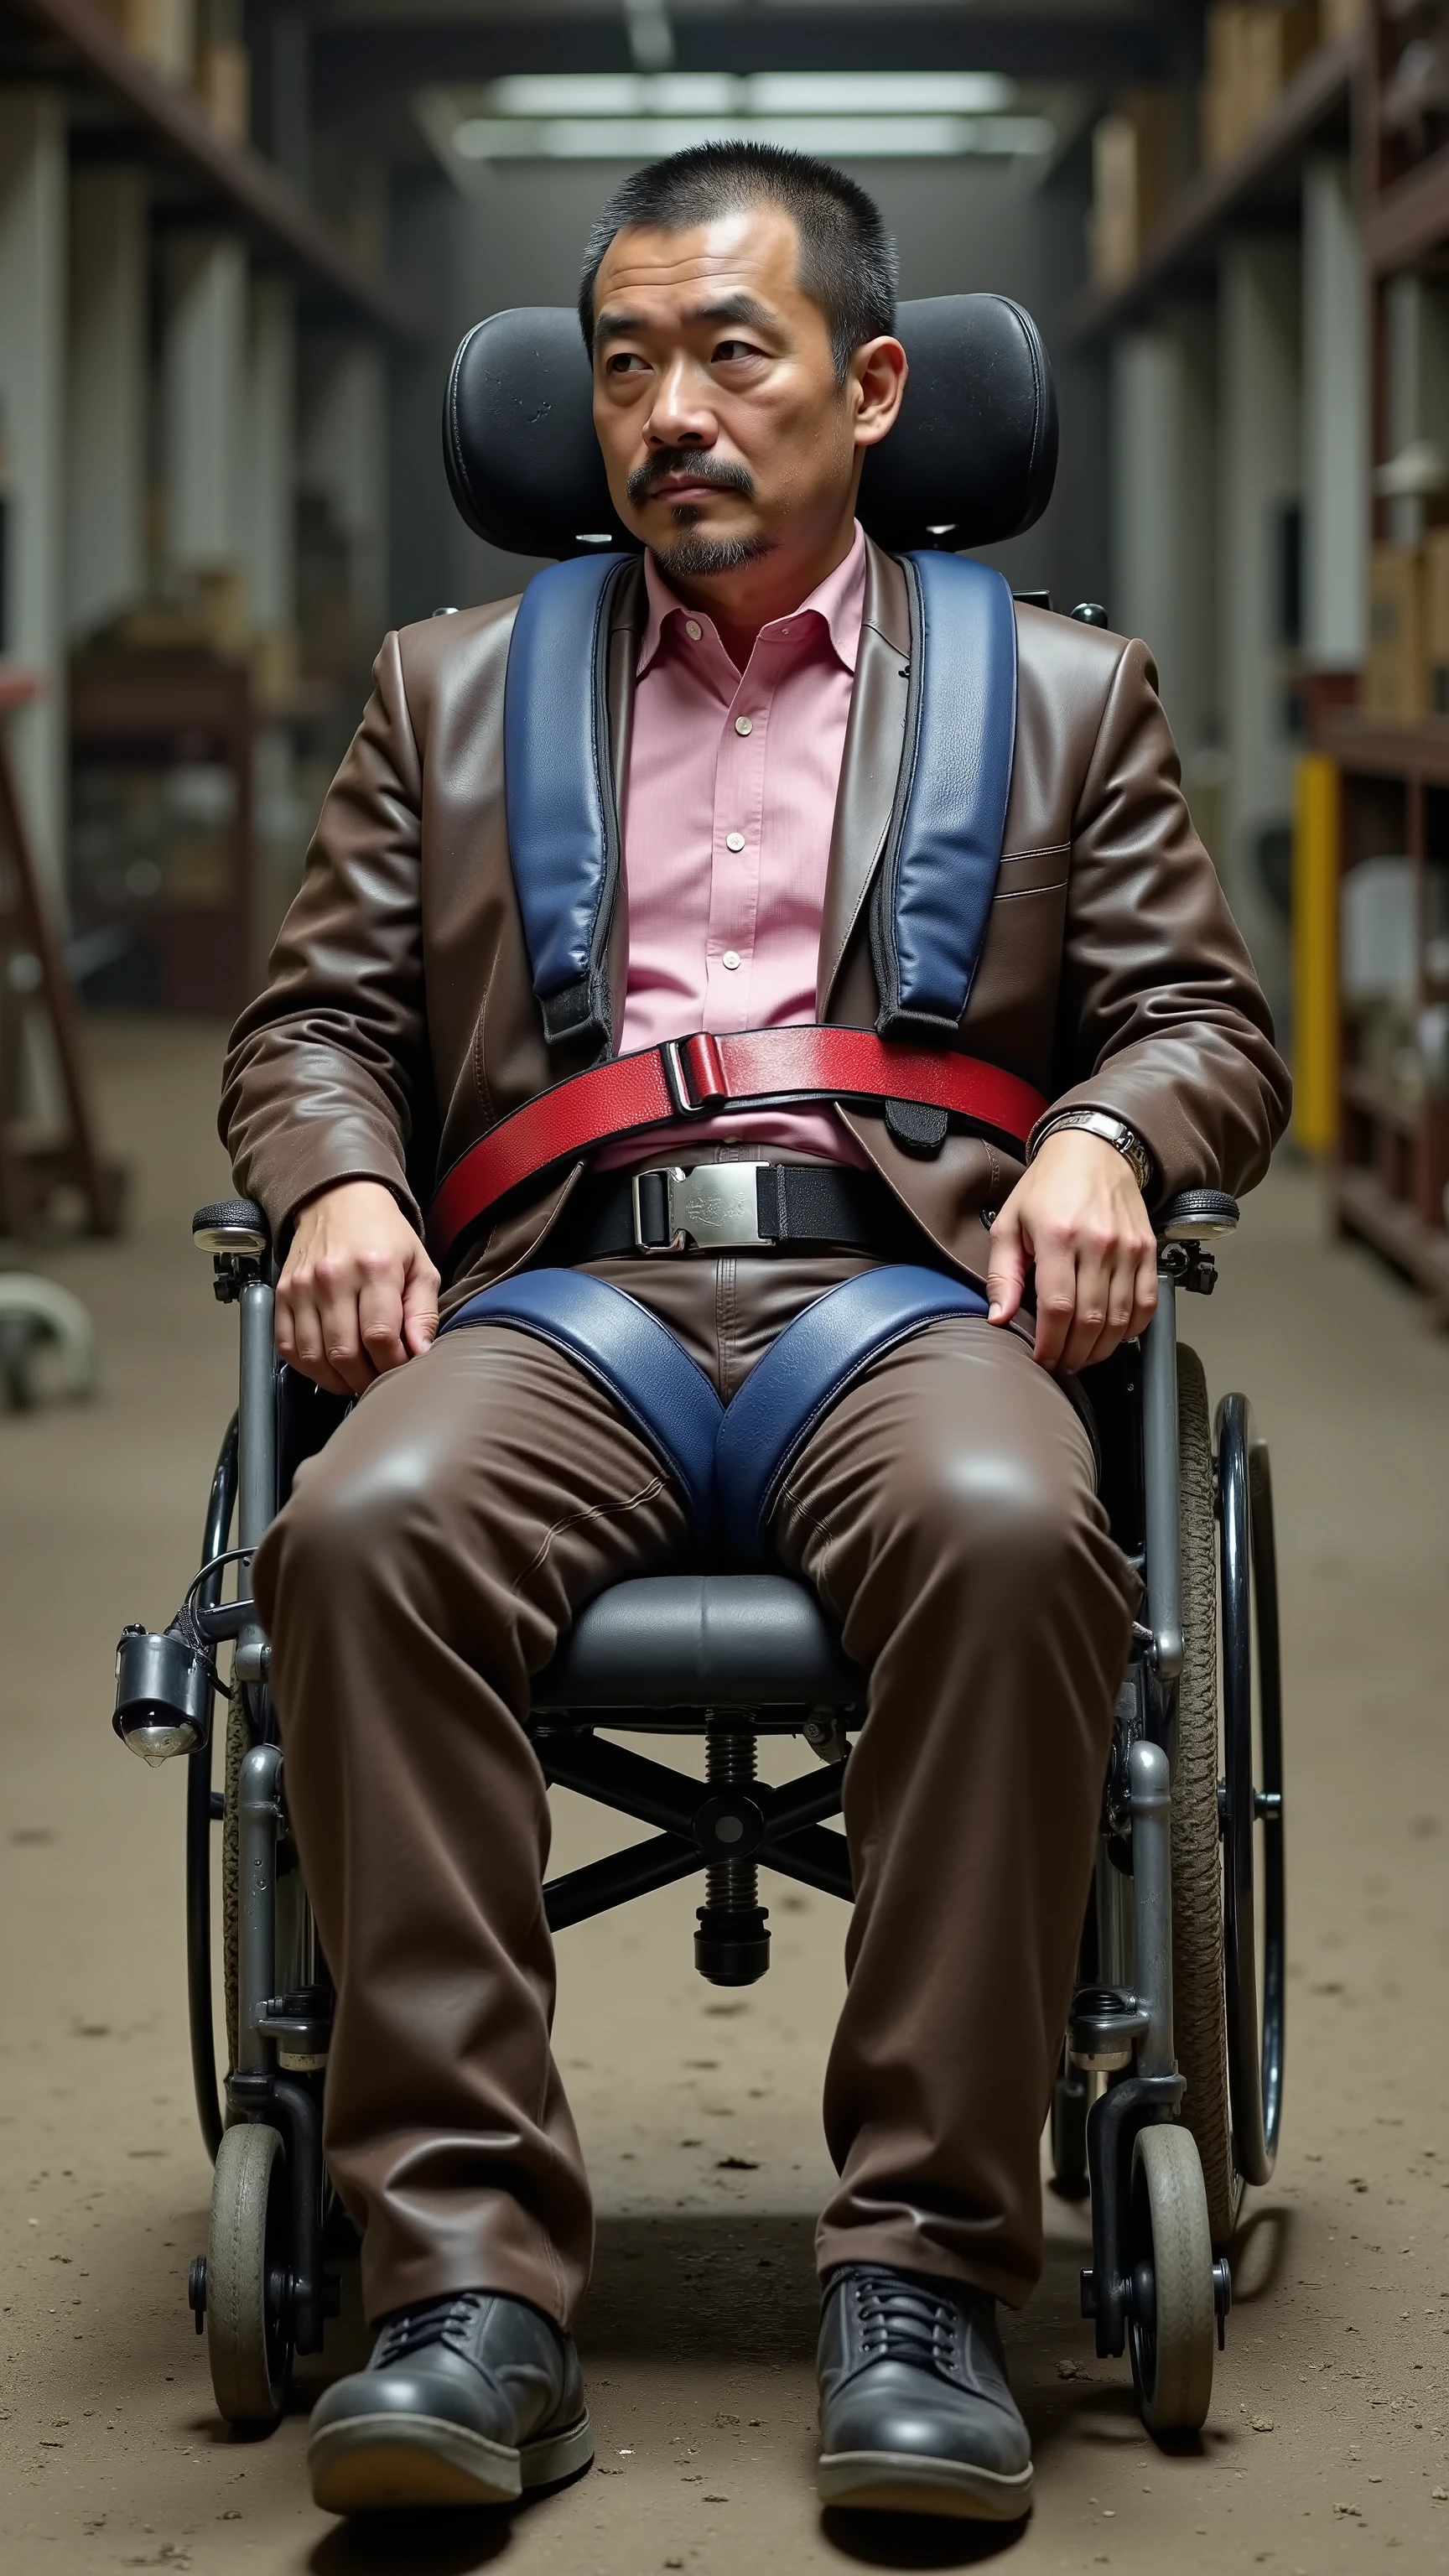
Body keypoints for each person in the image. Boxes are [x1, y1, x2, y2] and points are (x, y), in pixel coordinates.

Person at [221, 142, 1289, 2526]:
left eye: (730, 353)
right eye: (622, 366)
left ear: (873, 387)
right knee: (361, 1526)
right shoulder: (451, 695)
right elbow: (305, 1036)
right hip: (565, 1300)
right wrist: (351, 1180)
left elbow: (1212, 1021)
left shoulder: (1064, 699)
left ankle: (920, 2272)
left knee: (1027, 1538)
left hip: (900, 1298)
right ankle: (468, 2291)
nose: (668, 413)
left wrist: (1113, 1139)